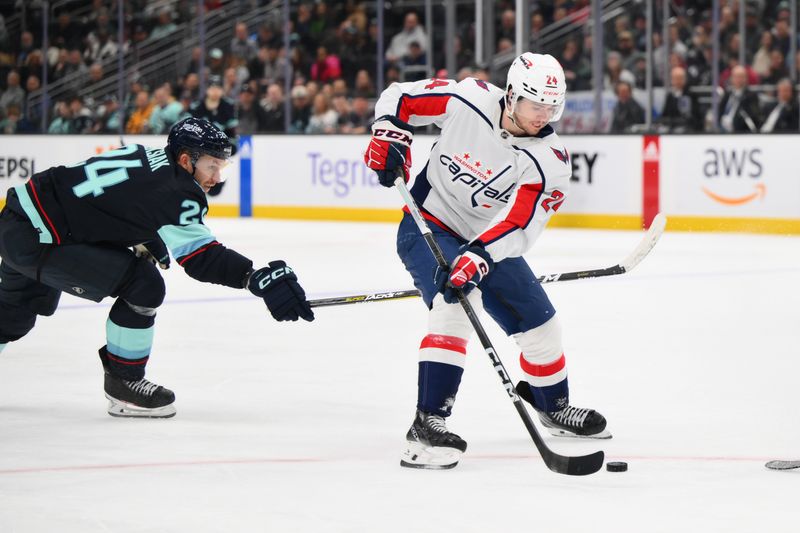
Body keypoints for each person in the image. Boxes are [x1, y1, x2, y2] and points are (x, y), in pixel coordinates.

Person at [364, 53, 610, 470]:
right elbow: (400, 97)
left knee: (541, 323)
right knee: (456, 304)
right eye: (537, 105)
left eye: (554, 106)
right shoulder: (468, 98)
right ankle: (427, 425)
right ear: (512, 95)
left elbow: (519, 224)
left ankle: (554, 406)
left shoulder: (550, 161)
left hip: (486, 241)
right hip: (427, 225)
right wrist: (389, 132)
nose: (545, 115)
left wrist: (479, 255)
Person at [0, 118, 314, 419]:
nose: (217, 177)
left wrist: (146, 232)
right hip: (40, 239)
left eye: (222, 167)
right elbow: (202, 259)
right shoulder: (178, 191)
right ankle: (125, 382)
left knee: (14, 315)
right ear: (184, 159)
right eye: (211, 166)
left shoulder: (145, 153)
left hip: (18, 220)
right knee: (143, 284)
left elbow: (111, 196)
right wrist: (252, 277)